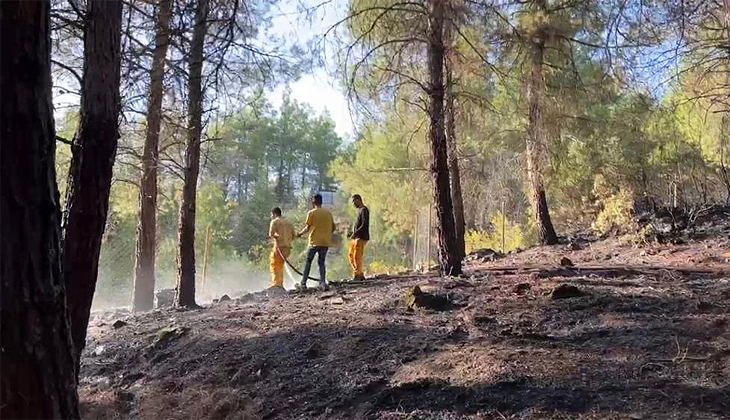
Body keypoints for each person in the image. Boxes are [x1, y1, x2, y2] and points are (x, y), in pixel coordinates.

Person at [296, 194, 335, 291]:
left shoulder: (311, 213)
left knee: (308, 262)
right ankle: (322, 282)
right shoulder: (328, 213)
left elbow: (307, 228)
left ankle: (303, 284)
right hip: (325, 242)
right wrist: (326, 234)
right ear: (321, 202)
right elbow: (333, 227)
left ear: (313, 202)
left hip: (314, 242)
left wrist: (299, 234)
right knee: (321, 262)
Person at [268, 207, 296, 289]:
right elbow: (293, 236)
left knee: (274, 265)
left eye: (271, 215)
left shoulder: (275, 222)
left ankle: (276, 285)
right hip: (287, 249)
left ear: (274, 214)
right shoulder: (288, 223)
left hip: (279, 248)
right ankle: (280, 283)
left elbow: (271, 234)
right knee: (280, 266)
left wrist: (278, 237)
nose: (271, 216)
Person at [348, 194, 370, 281]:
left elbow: (364, 224)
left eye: (354, 201)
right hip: (357, 237)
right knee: (351, 255)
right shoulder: (360, 210)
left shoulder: (364, 210)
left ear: (358, 200)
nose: (353, 204)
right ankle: (358, 273)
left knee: (357, 257)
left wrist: (356, 233)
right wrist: (352, 233)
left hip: (361, 237)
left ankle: (358, 275)